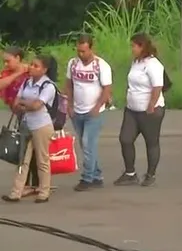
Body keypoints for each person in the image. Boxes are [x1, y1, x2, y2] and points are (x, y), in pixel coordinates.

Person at [3, 55, 58, 203]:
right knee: (22, 160)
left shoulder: (48, 86)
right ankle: (16, 192)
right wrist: (25, 103)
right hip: (26, 124)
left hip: (41, 126)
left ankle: (44, 192)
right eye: (32, 65)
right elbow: (16, 103)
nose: (31, 68)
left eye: (36, 66)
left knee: (42, 160)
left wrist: (23, 103)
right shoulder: (27, 82)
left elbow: (37, 106)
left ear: (44, 69)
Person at [115, 34, 166, 187]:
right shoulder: (136, 62)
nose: (132, 49)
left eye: (134, 46)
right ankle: (130, 174)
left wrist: (152, 104)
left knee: (151, 142)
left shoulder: (153, 64)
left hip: (149, 110)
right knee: (125, 138)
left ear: (142, 46)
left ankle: (151, 174)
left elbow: (158, 86)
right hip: (132, 109)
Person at [66, 34, 112, 191]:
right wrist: (69, 105)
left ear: (91, 48)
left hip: (94, 111)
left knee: (88, 144)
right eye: (78, 51)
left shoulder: (101, 65)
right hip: (77, 111)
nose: (81, 54)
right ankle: (97, 175)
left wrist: (97, 107)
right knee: (86, 145)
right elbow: (69, 84)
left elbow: (107, 89)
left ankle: (87, 178)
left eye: (84, 51)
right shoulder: (73, 64)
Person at [0, 46, 38, 197]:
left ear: (18, 58)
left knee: (30, 150)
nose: (5, 64)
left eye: (8, 61)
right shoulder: (8, 73)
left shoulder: (31, 70)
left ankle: (33, 184)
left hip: (32, 114)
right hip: (18, 115)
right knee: (26, 149)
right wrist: (17, 73)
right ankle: (31, 184)